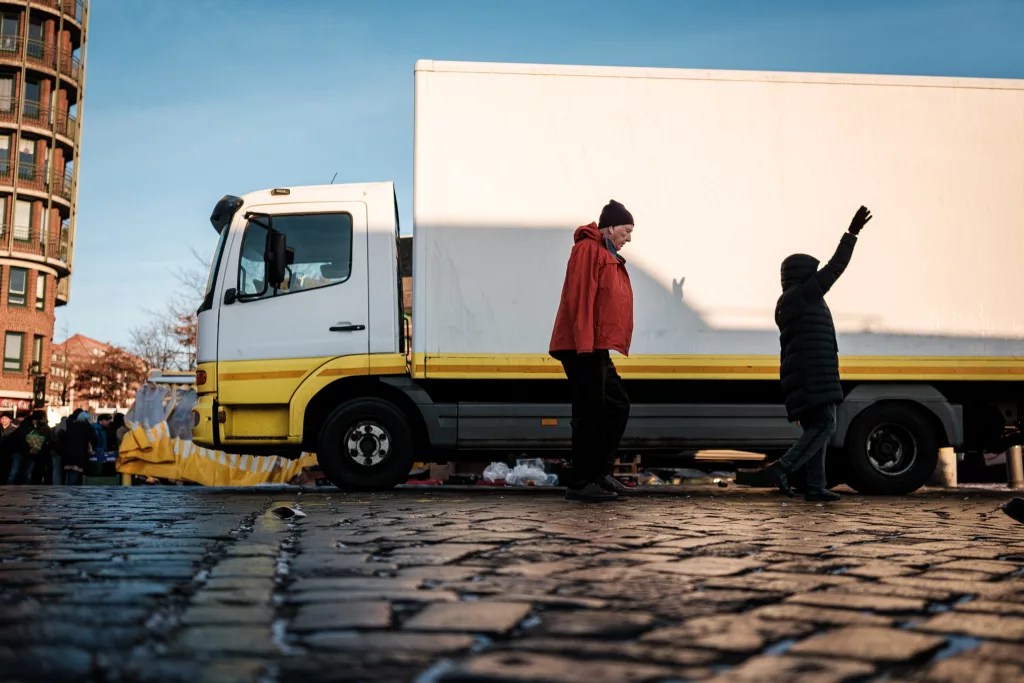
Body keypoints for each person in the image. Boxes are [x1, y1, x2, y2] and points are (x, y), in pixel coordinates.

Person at [764, 205, 873, 502]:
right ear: (804, 275)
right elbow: (836, 266)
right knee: (826, 425)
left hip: (805, 373)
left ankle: (814, 486)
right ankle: (783, 468)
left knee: (818, 427)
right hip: (814, 375)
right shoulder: (804, 294)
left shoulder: (789, 300)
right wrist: (851, 234)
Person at [550, 199, 635, 502]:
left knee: (617, 404)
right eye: (626, 230)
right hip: (580, 344)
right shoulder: (587, 249)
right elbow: (580, 296)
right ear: (611, 227)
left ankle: (597, 473)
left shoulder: (604, 252)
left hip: (594, 345)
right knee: (589, 412)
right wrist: (584, 344)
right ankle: (581, 482)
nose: (629, 237)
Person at [63, 411, 97, 485]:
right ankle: (72, 492)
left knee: (69, 475)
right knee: (75, 476)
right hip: (79, 455)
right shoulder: (86, 427)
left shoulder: (69, 426)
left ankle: (67, 489)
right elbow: (94, 439)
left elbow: (62, 439)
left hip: (67, 455)